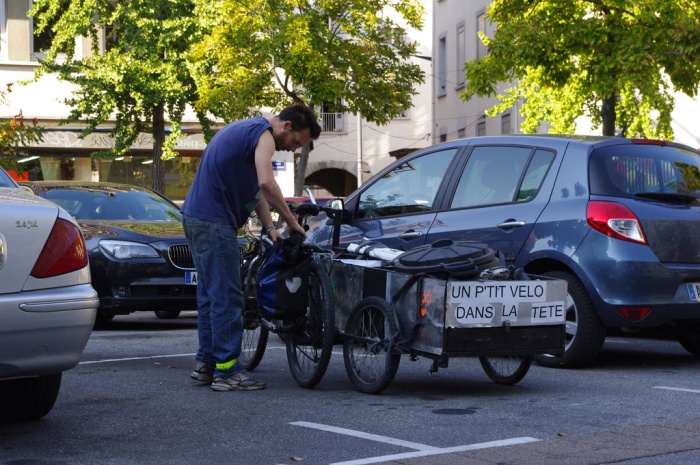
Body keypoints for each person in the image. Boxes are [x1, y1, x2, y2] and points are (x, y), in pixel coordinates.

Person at [181, 104, 322, 391]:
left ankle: (206, 365)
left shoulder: (246, 129)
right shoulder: (264, 135)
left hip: (198, 217)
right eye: (295, 142)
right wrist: (290, 221)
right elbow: (266, 183)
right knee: (227, 296)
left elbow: (254, 190)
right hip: (213, 221)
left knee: (210, 294)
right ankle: (227, 372)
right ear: (286, 126)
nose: (292, 149)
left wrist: (270, 228)